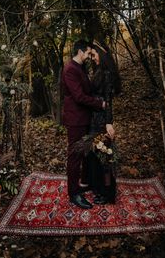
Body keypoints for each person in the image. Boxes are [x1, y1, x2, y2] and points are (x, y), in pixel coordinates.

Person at [62, 39, 105, 209]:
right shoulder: (70, 69)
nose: (89, 56)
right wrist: (99, 104)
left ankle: (81, 184)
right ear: (80, 52)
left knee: (84, 154)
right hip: (75, 120)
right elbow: (79, 96)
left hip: (84, 118)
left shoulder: (80, 68)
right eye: (88, 53)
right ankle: (73, 194)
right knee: (74, 156)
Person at [86, 39, 121, 204]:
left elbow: (108, 99)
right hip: (94, 119)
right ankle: (99, 189)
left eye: (94, 54)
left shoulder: (106, 73)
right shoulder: (99, 70)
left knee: (104, 157)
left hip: (101, 120)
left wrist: (109, 122)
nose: (92, 57)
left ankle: (108, 194)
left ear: (101, 53)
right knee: (96, 156)